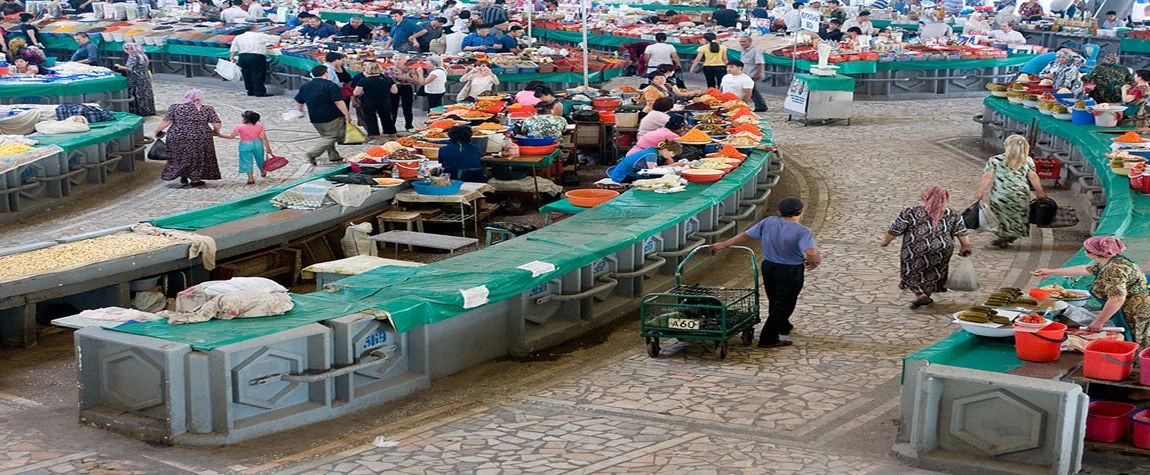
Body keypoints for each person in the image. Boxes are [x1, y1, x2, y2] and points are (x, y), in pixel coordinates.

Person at [711, 197, 821, 349]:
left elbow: (745, 235)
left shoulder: (768, 221)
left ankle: (783, 325)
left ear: (779, 212)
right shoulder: (803, 231)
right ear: (801, 211)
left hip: (769, 266)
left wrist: (724, 244)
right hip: (790, 270)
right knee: (785, 304)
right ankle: (768, 338)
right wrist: (815, 260)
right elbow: (811, 251)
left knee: (774, 298)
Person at [1034, 237, 1150, 342]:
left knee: (1136, 338)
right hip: (1138, 304)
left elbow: (1117, 299)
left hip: (1133, 310)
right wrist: (1051, 272)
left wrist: (1099, 322)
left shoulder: (1112, 271)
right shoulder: (1114, 260)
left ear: (1092, 253)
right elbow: (1084, 269)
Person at [880, 187, 973, 309]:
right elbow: (961, 231)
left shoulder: (911, 212)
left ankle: (920, 294)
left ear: (925, 197)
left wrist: (886, 241)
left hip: (916, 248)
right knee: (934, 272)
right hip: (943, 248)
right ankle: (926, 295)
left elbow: (896, 229)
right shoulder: (953, 214)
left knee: (912, 272)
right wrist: (965, 246)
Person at [977, 134, 1046, 248]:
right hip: (1021, 194)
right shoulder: (1027, 160)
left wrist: (981, 191)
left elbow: (987, 176)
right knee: (1018, 215)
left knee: (1000, 215)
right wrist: (1040, 191)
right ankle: (1012, 235)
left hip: (1001, 194)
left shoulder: (995, 160)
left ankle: (1003, 236)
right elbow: (1033, 177)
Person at [154, 89, 222, 187]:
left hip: (178, 135)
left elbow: (166, 121)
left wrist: (157, 131)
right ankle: (195, 179)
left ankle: (183, 175)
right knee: (198, 157)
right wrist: (216, 131)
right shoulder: (207, 109)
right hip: (201, 136)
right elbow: (217, 123)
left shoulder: (175, 107)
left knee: (179, 156)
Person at [295, 65, 351, 165]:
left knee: (326, 137)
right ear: (326, 73)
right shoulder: (331, 85)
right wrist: (346, 114)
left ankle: (334, 157)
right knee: (332, 136)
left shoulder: (305, 86)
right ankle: (313, 153)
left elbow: (300, 101)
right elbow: (338, 102)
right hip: (331, 116)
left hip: (314, 117)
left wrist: (300, 112)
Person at [219, 110, 273, 184]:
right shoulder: (260, 127)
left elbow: (231, 136)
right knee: (260, 158)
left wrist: (219, 135)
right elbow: (264, 138)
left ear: (245, 118)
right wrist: (268, 148)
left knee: (246, 160)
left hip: (245, 144)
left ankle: (250, 178)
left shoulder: (239, 127)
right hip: (258, 143)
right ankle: (263, 171)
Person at [353, 61, 398, 142]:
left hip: (368, 101)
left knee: (370, 118)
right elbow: (394, 91)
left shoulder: (364, 80)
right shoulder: (388, 79)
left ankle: (374, 135)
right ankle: (392, 133)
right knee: (387, 117)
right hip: (384, 101)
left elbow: (356, 93)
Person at [229, 24, 278, 97]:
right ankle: (259, 92)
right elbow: (275, 38)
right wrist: (288, 35)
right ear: (254, 29)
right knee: (258, 74)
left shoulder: (238, 37)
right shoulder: (260, 35)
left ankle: (250, 91)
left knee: (247, 74)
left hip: (243, 57)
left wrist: (232, 56)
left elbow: (233, 47)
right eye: (258, 28)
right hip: (256, 57)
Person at [607, 139, 682, 183]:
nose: (673, 156)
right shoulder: (651, 154)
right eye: (673, 153)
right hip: (622, 175)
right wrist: (673, 165)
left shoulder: (654, 151)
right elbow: (653, 170)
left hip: (627, 172)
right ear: (665, 150)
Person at [113, 43, 155, 116]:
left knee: (137, 94)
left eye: (125, 49)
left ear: (129, 49)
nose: (125, 51)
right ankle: (148, 110)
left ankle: (139, 111)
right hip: (144, 76)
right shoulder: (142, 55)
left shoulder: (133, 56)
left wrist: (119, 66)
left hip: (136, 78)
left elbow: (130, 68)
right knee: (145, 94)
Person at [734, 36, 767, 112]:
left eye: (744, 41)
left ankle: (761, 106)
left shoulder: (755, 51)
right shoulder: (743, 51)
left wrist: (757, 74)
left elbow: (760, 63)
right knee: (750, 90)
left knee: (752, 91)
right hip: (745, 73)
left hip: (752, 74)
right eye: (741, 41)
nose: (742, 43)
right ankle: (758, 105)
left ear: (750, 42)